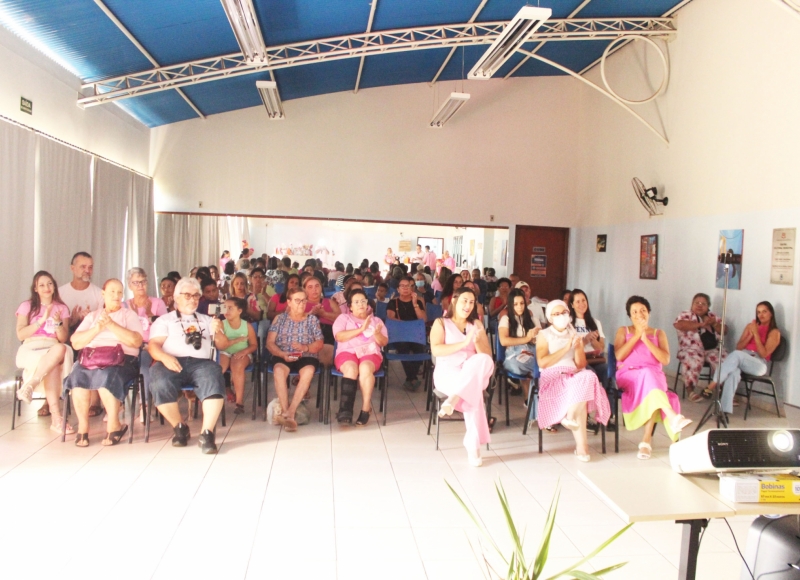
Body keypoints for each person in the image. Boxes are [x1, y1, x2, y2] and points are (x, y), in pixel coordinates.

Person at [147, 278, 226, 454]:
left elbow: (223, 345)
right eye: (187, 295)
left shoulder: (207, 320)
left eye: (196, 295)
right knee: (158, 380)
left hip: (202, 363)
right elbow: (153, 346)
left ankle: (207, 433)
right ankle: (179, 427)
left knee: (214, 376)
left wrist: (217, 330)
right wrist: (164, 358)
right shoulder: (164, 320)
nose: (193, 299)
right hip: (172, 360)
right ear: (176, 297)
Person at [64, 279, 144, 447]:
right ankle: (83, 429)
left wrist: (111, 324)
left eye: (119, 292)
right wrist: (96, 329)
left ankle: (114, 425)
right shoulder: (93, 316)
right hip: (92, 357)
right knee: (77, 376)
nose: (116, 296)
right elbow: (76, 342)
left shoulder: (129, 315)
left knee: (106, 375)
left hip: (121, 359)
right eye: (112, 292)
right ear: (103, 294)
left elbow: (136, 341)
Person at [614, 296, 692, 459]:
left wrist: (645, 340)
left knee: (654, 390)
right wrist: (637, 336)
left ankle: (646, 442)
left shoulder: (659, 333)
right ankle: (671, 417)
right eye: (634, 311)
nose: (639, 314)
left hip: (654, 376)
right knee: (652, 383)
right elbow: (619, 355)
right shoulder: (624, 331)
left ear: (648, 312)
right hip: (629, 375)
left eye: (642, 310)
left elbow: (665, 359)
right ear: (629, 315)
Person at [536, 300, 611, 462]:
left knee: (589, 376)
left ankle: (570, 418)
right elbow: (542, 362)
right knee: (581, 397)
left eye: (563, 313)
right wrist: (566, 348)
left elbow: (581, 364)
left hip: (573, 375)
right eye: (556, 314)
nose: (561, 317)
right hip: (553, 377)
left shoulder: (574, 334)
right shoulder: (544, 335)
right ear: (550, 318)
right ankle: (582, 447)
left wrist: (577, 347)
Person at [431, 287, 494, 467]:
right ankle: (473, 446)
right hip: (448, 372)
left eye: (471, 302)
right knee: (473, 394)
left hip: (473, 371)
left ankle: (455, 397)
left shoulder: (477, 324)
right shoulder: (441, 323)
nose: (467, 305)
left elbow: (487, 356)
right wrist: (464, 343)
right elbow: (436, 350)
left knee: (481, 359)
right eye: (464, 301)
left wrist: (476, 343)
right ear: (454, 301)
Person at [15, 271, 74, 433]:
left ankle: (31, 385)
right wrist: (41, 320)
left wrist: (57, 324)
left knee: (61, 349)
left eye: (49, 283)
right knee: (53, 364)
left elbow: (63, 338)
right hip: (31, 347)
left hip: (53, 346)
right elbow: (20, 334)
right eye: (41, 285)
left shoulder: (61, 308)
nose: (46, 288)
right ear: (35, 288)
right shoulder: (27, 306)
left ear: (54, 286)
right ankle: (56, 419)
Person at [703, 301, 781, 414]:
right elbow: (739, 346)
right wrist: (750, 334)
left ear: (771, 314)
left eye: (764, 311)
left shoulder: (774, 332)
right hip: (743, 357)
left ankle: (712, 385)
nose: (761, 315)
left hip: (759, 363)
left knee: (736, 354)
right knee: (733, 372)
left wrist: (756, 334)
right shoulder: (751, 326)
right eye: (758, 312)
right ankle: (724, 411)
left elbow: (763, 353)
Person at [266, 286, 324, 431]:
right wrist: (281, 354)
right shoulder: (280, 319)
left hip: (306, 355)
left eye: (304, 300)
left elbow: (319, 343)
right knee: (279, 370)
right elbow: (270, 342)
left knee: (309, 370)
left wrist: (305, 348)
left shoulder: (312, 320)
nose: (302, 304)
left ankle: (291, 413)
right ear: (289, 302)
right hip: (283, 354)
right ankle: (286, 411)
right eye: (297, 301)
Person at [57, 251, 105, 418]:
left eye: (90, 267)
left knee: (97, 350)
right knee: (55, 350)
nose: (87, 270)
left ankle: (95, 401)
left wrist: (89, 318)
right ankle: (51, 400)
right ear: (72, 268)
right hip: (65, 335)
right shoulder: (60, 292)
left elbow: (102, 322)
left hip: (91, 337)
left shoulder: (99, 293)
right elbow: (56, 323)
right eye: (83, 267)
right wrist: (73, 319)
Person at [333, 289, 389, 425]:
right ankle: (345, 410)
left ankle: (366, 408)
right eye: (356, 302)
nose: (361, 304)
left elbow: (384, 342)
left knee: (364, 368)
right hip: (347, 352)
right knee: (351, 369)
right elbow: (339, 336)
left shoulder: (376, 320)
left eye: (363, 301)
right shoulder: (343, 318)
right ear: (350, 306)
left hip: (370, 354)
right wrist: (361, 329)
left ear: (368, 304)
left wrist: (376, 334)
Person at [125, 268, 168, 422]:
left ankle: (145, 407)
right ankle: (115, 407)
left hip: (151, 345)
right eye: (136, 282)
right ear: (129, 285)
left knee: (144, 363)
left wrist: (150, 315)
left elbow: (166, 328)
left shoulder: (157, 303)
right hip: (130, 346)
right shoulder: (125, 305)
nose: (140, 285)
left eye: (143, 281)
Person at [674, 293, 727, 402]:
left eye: (703, 303)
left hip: (711, 350)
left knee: (725, 361)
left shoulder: (713, 317)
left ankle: (727, 393)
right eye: (697, 303)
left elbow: (725, 331)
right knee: (693, 361)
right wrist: (701, 325)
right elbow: (679, 325)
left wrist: (714, 324)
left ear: (708, 306)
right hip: (690, 349)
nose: (699, 305)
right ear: (692, 304)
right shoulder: (685, 315)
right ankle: (691, 392)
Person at [498, 289, 541, 401]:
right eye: (515, 304)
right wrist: (526, 338)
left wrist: (533, 339)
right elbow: (504, 341)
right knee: (537, 366)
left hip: (531, 352)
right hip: (514, 356)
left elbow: (541, 339)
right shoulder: (506, 319)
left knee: (537, 360)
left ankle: (530, 400)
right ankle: (533, 396)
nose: (519, 307)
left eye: (522, 303)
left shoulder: (532, 319)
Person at [217, 298, 257, 414]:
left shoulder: (247, 326)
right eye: (225, 308)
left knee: (237, 366)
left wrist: (244, 352)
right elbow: (220, 346)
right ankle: (214, 398)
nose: (227, 311)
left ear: (239, 311)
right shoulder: (221, 324)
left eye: (230, 308)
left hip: (243, 352)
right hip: (225, 351)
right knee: (220, 369)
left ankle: (239, 402)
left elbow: (254, 345)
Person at [387, 275, 427, 391]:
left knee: (420, 349)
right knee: (403, 348)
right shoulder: (393, 303)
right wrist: (407, 326)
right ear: (398, 289)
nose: (405, 288)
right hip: (399, 335)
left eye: (408, 286)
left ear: (412, 289)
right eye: (402, 286)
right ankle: (412, 378)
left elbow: (423, 319)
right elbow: (390, 319)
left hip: (416, 336)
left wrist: (415, 303)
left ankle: (410, 378)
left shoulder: (417, 302)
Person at [569, 289, 607, 380]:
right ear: (572, 305)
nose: (581, 304)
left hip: (594, 359)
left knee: (607, 371)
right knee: (590, 373)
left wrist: (593, 340)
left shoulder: (595, 322)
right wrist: (585, 340)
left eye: (583, 300)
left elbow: (601, 348)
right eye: (577, 302)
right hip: (577, 360)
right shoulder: (568, 322)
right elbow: (568, 347)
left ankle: (608, 394)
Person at [303, 276, 340, 366]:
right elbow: (292, 319)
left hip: (327, 332)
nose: (314, 289)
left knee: (326, 351)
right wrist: (311, 314)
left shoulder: (330, 302)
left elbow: (340, 318)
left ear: (321, 287)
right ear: (305, 290)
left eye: (317, 286)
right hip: (306, 332)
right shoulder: (300, 302)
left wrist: (323, 314)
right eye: (310, 287)